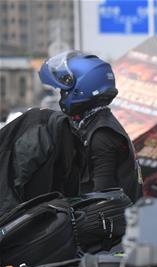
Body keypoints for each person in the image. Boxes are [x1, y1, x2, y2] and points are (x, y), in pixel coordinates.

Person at [39, 51, 142, 201]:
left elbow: (101, 196)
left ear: (82, 88)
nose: (62, 95)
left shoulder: (102, 134)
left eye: (64, 90)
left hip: (108, 222)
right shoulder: (92, 122)